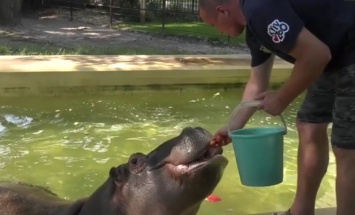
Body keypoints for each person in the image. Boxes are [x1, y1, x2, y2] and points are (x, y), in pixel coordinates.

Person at [200, 0, 355, 215]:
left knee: (347, 147)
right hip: (332, 56)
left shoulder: (258, 8)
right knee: (309, 126)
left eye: (213, 24)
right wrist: (232, 127)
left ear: (222, 11)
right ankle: (301, 211)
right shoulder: (254, 32)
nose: (217, 30)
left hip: (347, 48)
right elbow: (257, 83)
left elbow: (316, 55)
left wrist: (281, 98)